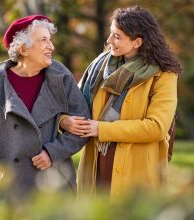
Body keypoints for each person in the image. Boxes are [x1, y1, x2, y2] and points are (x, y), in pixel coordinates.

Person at [0, 15, 90, 201]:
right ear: (23, 49)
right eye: (43, 40)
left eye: (50, 40)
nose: (51, 46)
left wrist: (52, 152)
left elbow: (83, 125)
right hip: (9, 186)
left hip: (53, 183)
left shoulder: (61, 77)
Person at [59, 6, 182, 199]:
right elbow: (71, 105)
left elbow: (156, 127)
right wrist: (64, 121)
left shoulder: (163, 75)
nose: (109, 41)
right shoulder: (99, 68)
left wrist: (101, 129)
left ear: (137, 42)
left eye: (117, 36)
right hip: (95, 167)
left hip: (137, 173)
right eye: (110, 34)